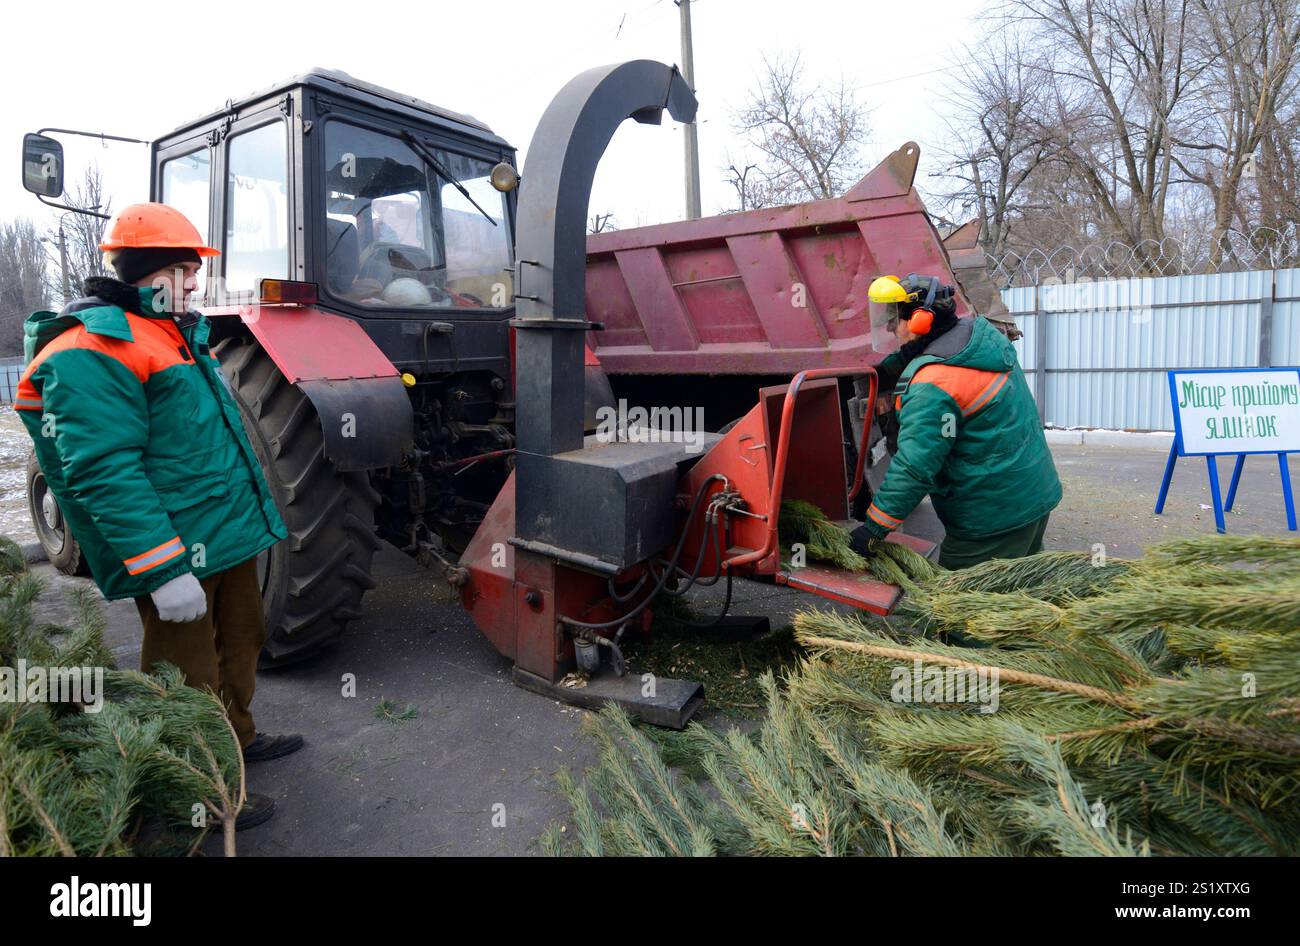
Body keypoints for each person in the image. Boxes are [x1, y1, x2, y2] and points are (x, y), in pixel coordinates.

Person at [15, 202, 301, 830]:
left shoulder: (174, 334)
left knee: (241, 644)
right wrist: (162, 567)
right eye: (183, 269)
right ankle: (190, 788)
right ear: (147, 272)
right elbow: (102, 469)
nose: (195, 282)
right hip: (177, 549)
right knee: (183, 673)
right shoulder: (94, 348)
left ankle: (237, 739)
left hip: (225, 536)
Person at [852, 273, 1061, 568]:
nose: (889, 327)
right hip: (1032, 495)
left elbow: (914, 467)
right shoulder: (979, 338)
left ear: (919, 321)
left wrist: (873, 529)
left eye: (894, 318)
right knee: (1021, 590)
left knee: (955, 604)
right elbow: (933, 350)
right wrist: (884, 371)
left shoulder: (932, 385)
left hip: (992, 518)